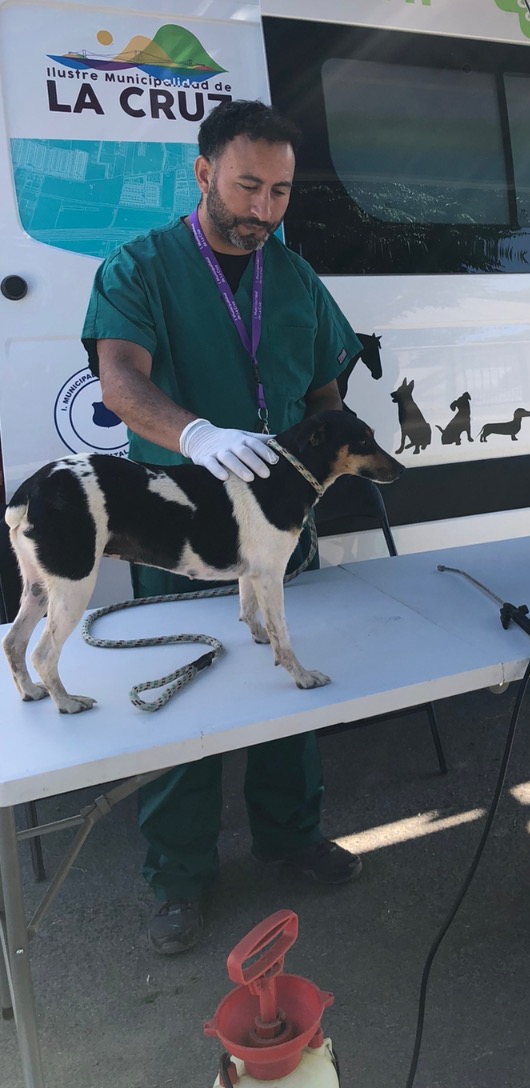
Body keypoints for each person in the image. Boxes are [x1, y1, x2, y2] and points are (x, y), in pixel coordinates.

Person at [82, 99, 364, 954]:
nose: (264, 211)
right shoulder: (139, 268)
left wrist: (319, 459)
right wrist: (195, 434)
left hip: (279, 524)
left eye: (280, 192)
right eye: (248, 187)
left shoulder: (297, 278)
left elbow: (325, 388)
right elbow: (120, 381)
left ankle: (290, 837)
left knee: (286, 672)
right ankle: (178, 877)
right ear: (203, 173)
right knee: (185, 695)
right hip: (176, 526)